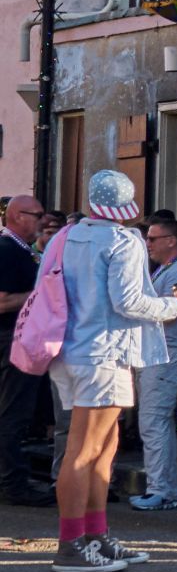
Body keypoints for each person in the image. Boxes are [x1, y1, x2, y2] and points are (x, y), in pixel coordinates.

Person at [48, 172, 177, 572]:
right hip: (105, 351)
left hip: (72, 349)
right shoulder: (122, 241)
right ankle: (73, 543)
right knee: (87, 449)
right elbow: (130, 302)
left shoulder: (68, 237)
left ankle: (93, 536)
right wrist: (176, 305)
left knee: (101, 446)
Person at [127, 218, 177, 512]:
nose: (148, 245)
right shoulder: (172, 270)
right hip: (159, 354)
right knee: (157, 421)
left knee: (154, 421)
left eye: (153, 239)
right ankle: (165, 489)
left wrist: (139, 309)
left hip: (168, 354)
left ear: (172, 240)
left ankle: (162, 489)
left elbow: (170, 315)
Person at [0, 193, 52, 507]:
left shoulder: (15, 250)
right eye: (37, 214)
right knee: (12, 414)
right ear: (19, 216)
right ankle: (14, 484)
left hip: (12, 338)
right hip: (11, 340)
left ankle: (11, 479)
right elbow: (3, 301)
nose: (43, 221)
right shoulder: (8, 251)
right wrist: (40, 294)